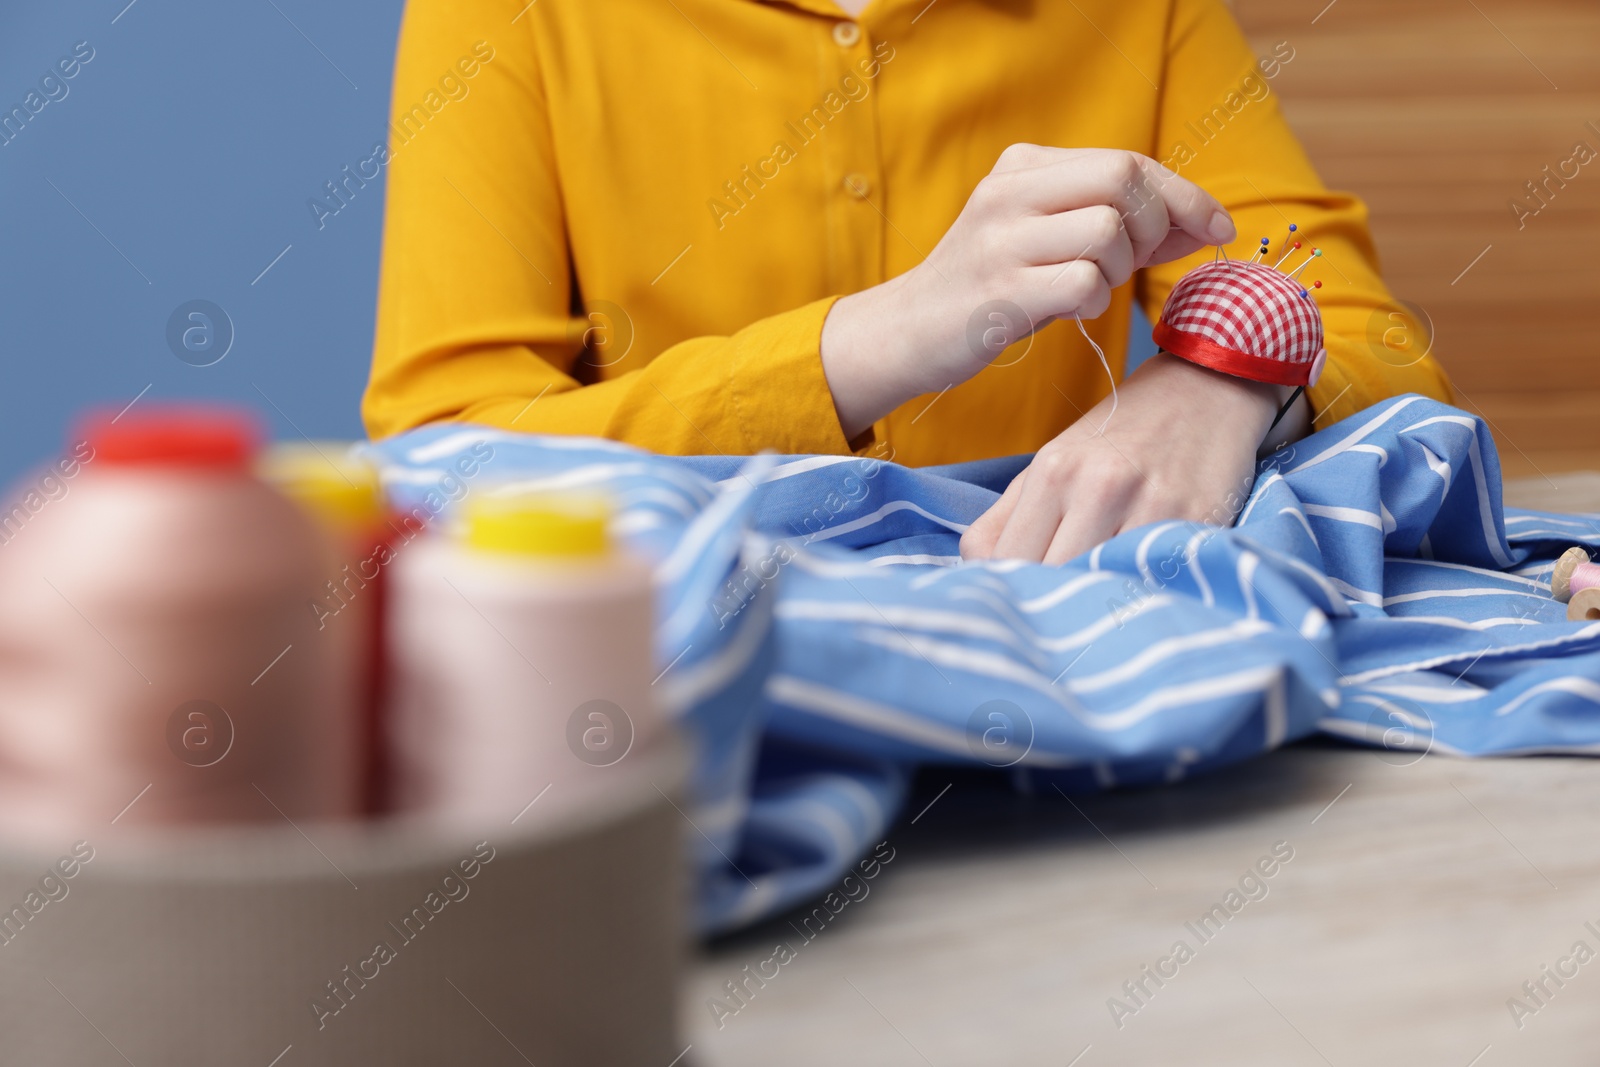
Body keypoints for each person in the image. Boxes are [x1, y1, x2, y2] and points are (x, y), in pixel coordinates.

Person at [363, 0, 1451, 565]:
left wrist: (1220, 382)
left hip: (1052, 709)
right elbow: (434, 465)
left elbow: (1372, 343)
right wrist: (873, 342)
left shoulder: (1141, 13)